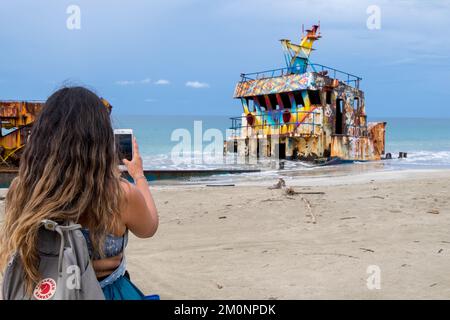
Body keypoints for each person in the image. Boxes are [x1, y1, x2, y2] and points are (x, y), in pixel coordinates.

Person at [0, 86, 158, 300]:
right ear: (101, 141)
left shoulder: (22, 190)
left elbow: (9, 254)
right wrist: (138, 176)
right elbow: (149, 228)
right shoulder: (118, 194)